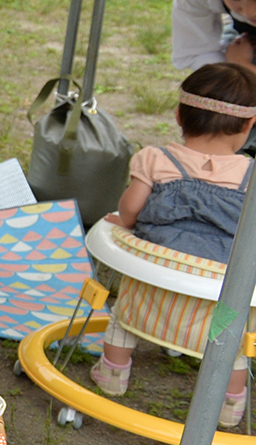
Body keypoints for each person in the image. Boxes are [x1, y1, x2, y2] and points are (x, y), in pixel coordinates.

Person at [94, 62, 256, 426]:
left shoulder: (154, 160)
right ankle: (230, 406)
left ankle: (113, 375)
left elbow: (131, 210)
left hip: (150, 294)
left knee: (123, 315)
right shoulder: (251, 177)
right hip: (219, 299)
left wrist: (124, 222)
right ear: (249, 125)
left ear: (179, 115)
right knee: (233, 341)